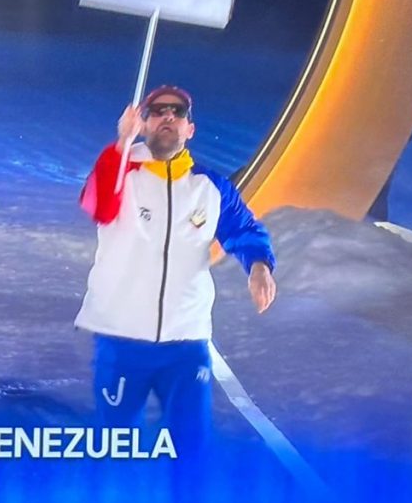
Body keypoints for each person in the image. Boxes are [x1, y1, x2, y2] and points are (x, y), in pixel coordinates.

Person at [75, 85, 277, 456]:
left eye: (178, 112)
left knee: (190, 450)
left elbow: (244, 229)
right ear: (143, 124)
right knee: (115, 451)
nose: (168, 116)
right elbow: (98, 205)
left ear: (190, 129)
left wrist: (259, 265)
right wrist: (122, 143)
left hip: (187, 342)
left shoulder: (210, 187)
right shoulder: (120, 174)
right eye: (157, 111)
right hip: (121, 339)